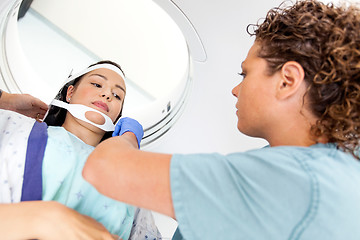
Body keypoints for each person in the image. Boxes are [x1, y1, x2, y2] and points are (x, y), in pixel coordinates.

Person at [82, 1, 360, 239]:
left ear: (287, 81)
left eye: (245, 74)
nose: (236, 89)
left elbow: (104, 168)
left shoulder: (288, 178)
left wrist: (129, 135)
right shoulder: (337, 165)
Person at [0, 60, 161, 239]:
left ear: (117, 119)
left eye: (117, 95)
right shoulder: (16, 126)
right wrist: (5, 99)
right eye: (97, 84)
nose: (107, 94)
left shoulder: (131, 186)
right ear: (70, 93)